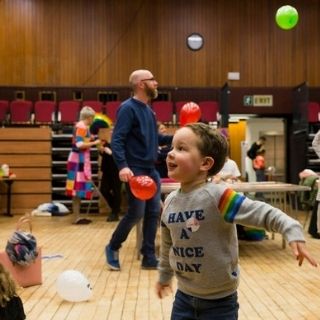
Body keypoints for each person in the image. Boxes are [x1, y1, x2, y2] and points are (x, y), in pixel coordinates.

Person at [156, 123, 317, 320]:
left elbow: (263, 212)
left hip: (219, 304)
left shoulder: (218, 196)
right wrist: (164, 277)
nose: (171, 153)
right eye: (172, 147)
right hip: (183, 299)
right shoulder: (170, 201)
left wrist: (291, 230)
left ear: (205, 163)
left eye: (181, 148)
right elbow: (167, 246)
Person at [105, 69, 172, 270]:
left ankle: (149, 257)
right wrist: (123, 166)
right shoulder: (128, 108)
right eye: (153, 80)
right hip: (135, 170)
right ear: (141, 84)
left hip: (151, 170)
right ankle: (113, 246)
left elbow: (157, 139)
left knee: (153, 213)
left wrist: (178, 137)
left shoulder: (149, 111)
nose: (157, 83)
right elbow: (117, 140)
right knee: (136, 213)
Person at [65, 106, 100, 224]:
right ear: (89, 117)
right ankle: (76, 217)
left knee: (77, 190)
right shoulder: (82, 127)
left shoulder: (82, 126)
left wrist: (93, 138)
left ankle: (77, 216)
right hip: (77, 160)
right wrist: (94, 142)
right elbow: (79, 144)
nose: (93, 120)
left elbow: (84, 140)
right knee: (76, 189)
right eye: (92, 118)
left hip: (78, 159)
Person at [99, 140, 122, 222]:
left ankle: (114, 213)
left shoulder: (122, 142)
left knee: (116, 191)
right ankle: (115, 208)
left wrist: (111, 153)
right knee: (103, 190)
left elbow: (123, 156)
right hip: (107, 170)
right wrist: (101, 151)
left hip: (117, 170)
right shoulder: (107, 143)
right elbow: (102, 154)